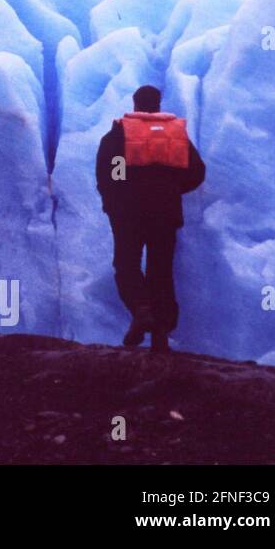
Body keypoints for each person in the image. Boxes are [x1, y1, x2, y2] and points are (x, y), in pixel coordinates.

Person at [95, 85, 205, 353]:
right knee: (161, 271)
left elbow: (112, 173)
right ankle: (161, 333)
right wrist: (171, 188)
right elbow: (196, 172)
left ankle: (141, 309)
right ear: (158, 105)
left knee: (127, 264)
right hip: (166, 214)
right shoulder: (175, 136)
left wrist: (117, 199)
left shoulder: (120, 134)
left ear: (135, 104)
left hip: (129, 214)